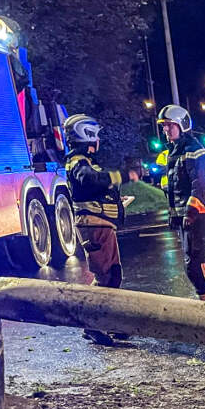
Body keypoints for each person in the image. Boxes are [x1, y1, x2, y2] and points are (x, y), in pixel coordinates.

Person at [63, 113, 139, 345]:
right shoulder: (78, 162)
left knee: (113, 275)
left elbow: (94, 187)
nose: (99, 141)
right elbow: (91, 180)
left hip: (101, 226)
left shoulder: (83, 161)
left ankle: (111, 323)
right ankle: (91, 325)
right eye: (96, 136)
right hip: (94, 226)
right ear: (88, 136)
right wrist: (123, 176)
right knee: (104, 276)